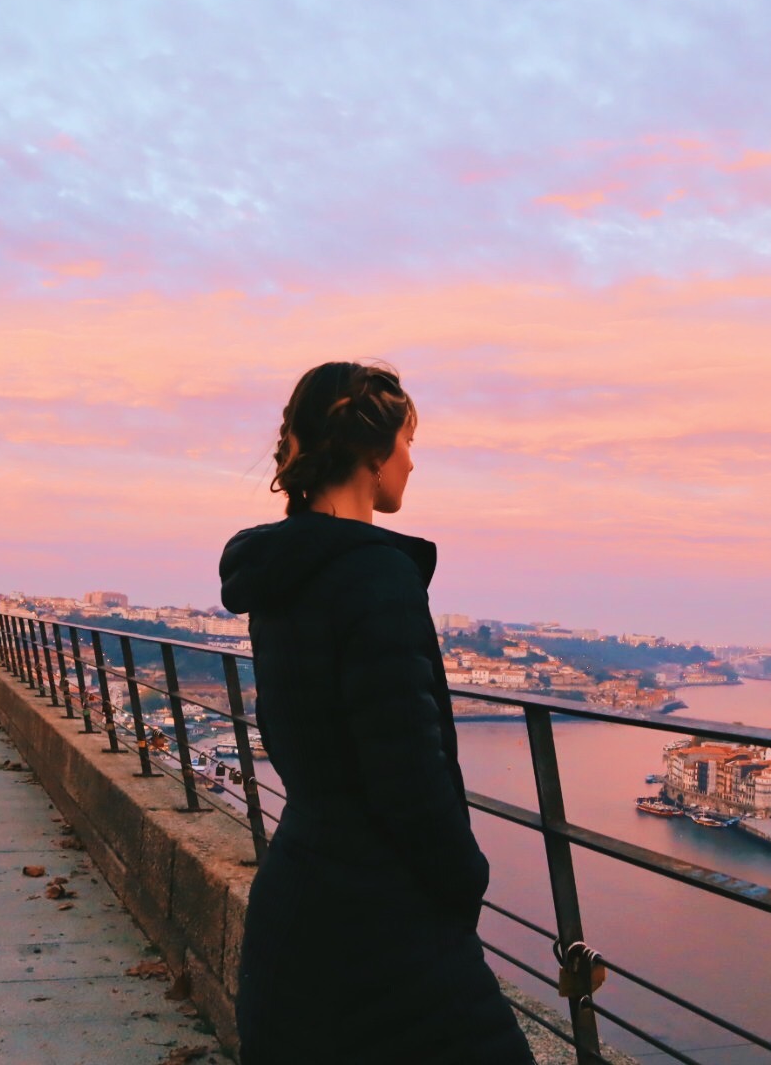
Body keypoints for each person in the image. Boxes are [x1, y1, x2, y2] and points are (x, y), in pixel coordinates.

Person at [220, 361, 535, 1065]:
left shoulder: (281, 574)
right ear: (372, 451)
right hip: (383, 917)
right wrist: (465, 880)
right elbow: (407, 767)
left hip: (300, 895)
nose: (412, 462)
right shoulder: (373, 574)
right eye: (407, 442)